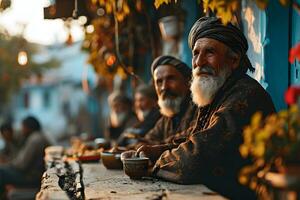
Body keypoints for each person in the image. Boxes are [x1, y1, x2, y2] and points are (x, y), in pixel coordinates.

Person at [131, 17, 276, 199]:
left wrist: (155, 161)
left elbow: (196, 158)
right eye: (195, 53)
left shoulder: (245, 94)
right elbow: (193, 137)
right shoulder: (217, 93)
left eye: (209, 53)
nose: (199, 62)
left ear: (234, 60)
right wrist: (157, 150)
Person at [141, 55, 198, 144]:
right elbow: (148, 140)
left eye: (171, 79)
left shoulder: (199, 108)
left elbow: (192, 135)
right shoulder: (167, 117)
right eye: (159, 82)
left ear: (187, 82)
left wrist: (157, 146)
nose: (164, 87)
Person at [0, 116, 50, 198]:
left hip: (32, 177)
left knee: (1, 172)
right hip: (34, 174)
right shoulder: (37, 136)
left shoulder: (35, 140)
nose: (22, 129)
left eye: (23, 126)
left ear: (29, 127)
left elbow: (22, 165)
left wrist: (8, 164)